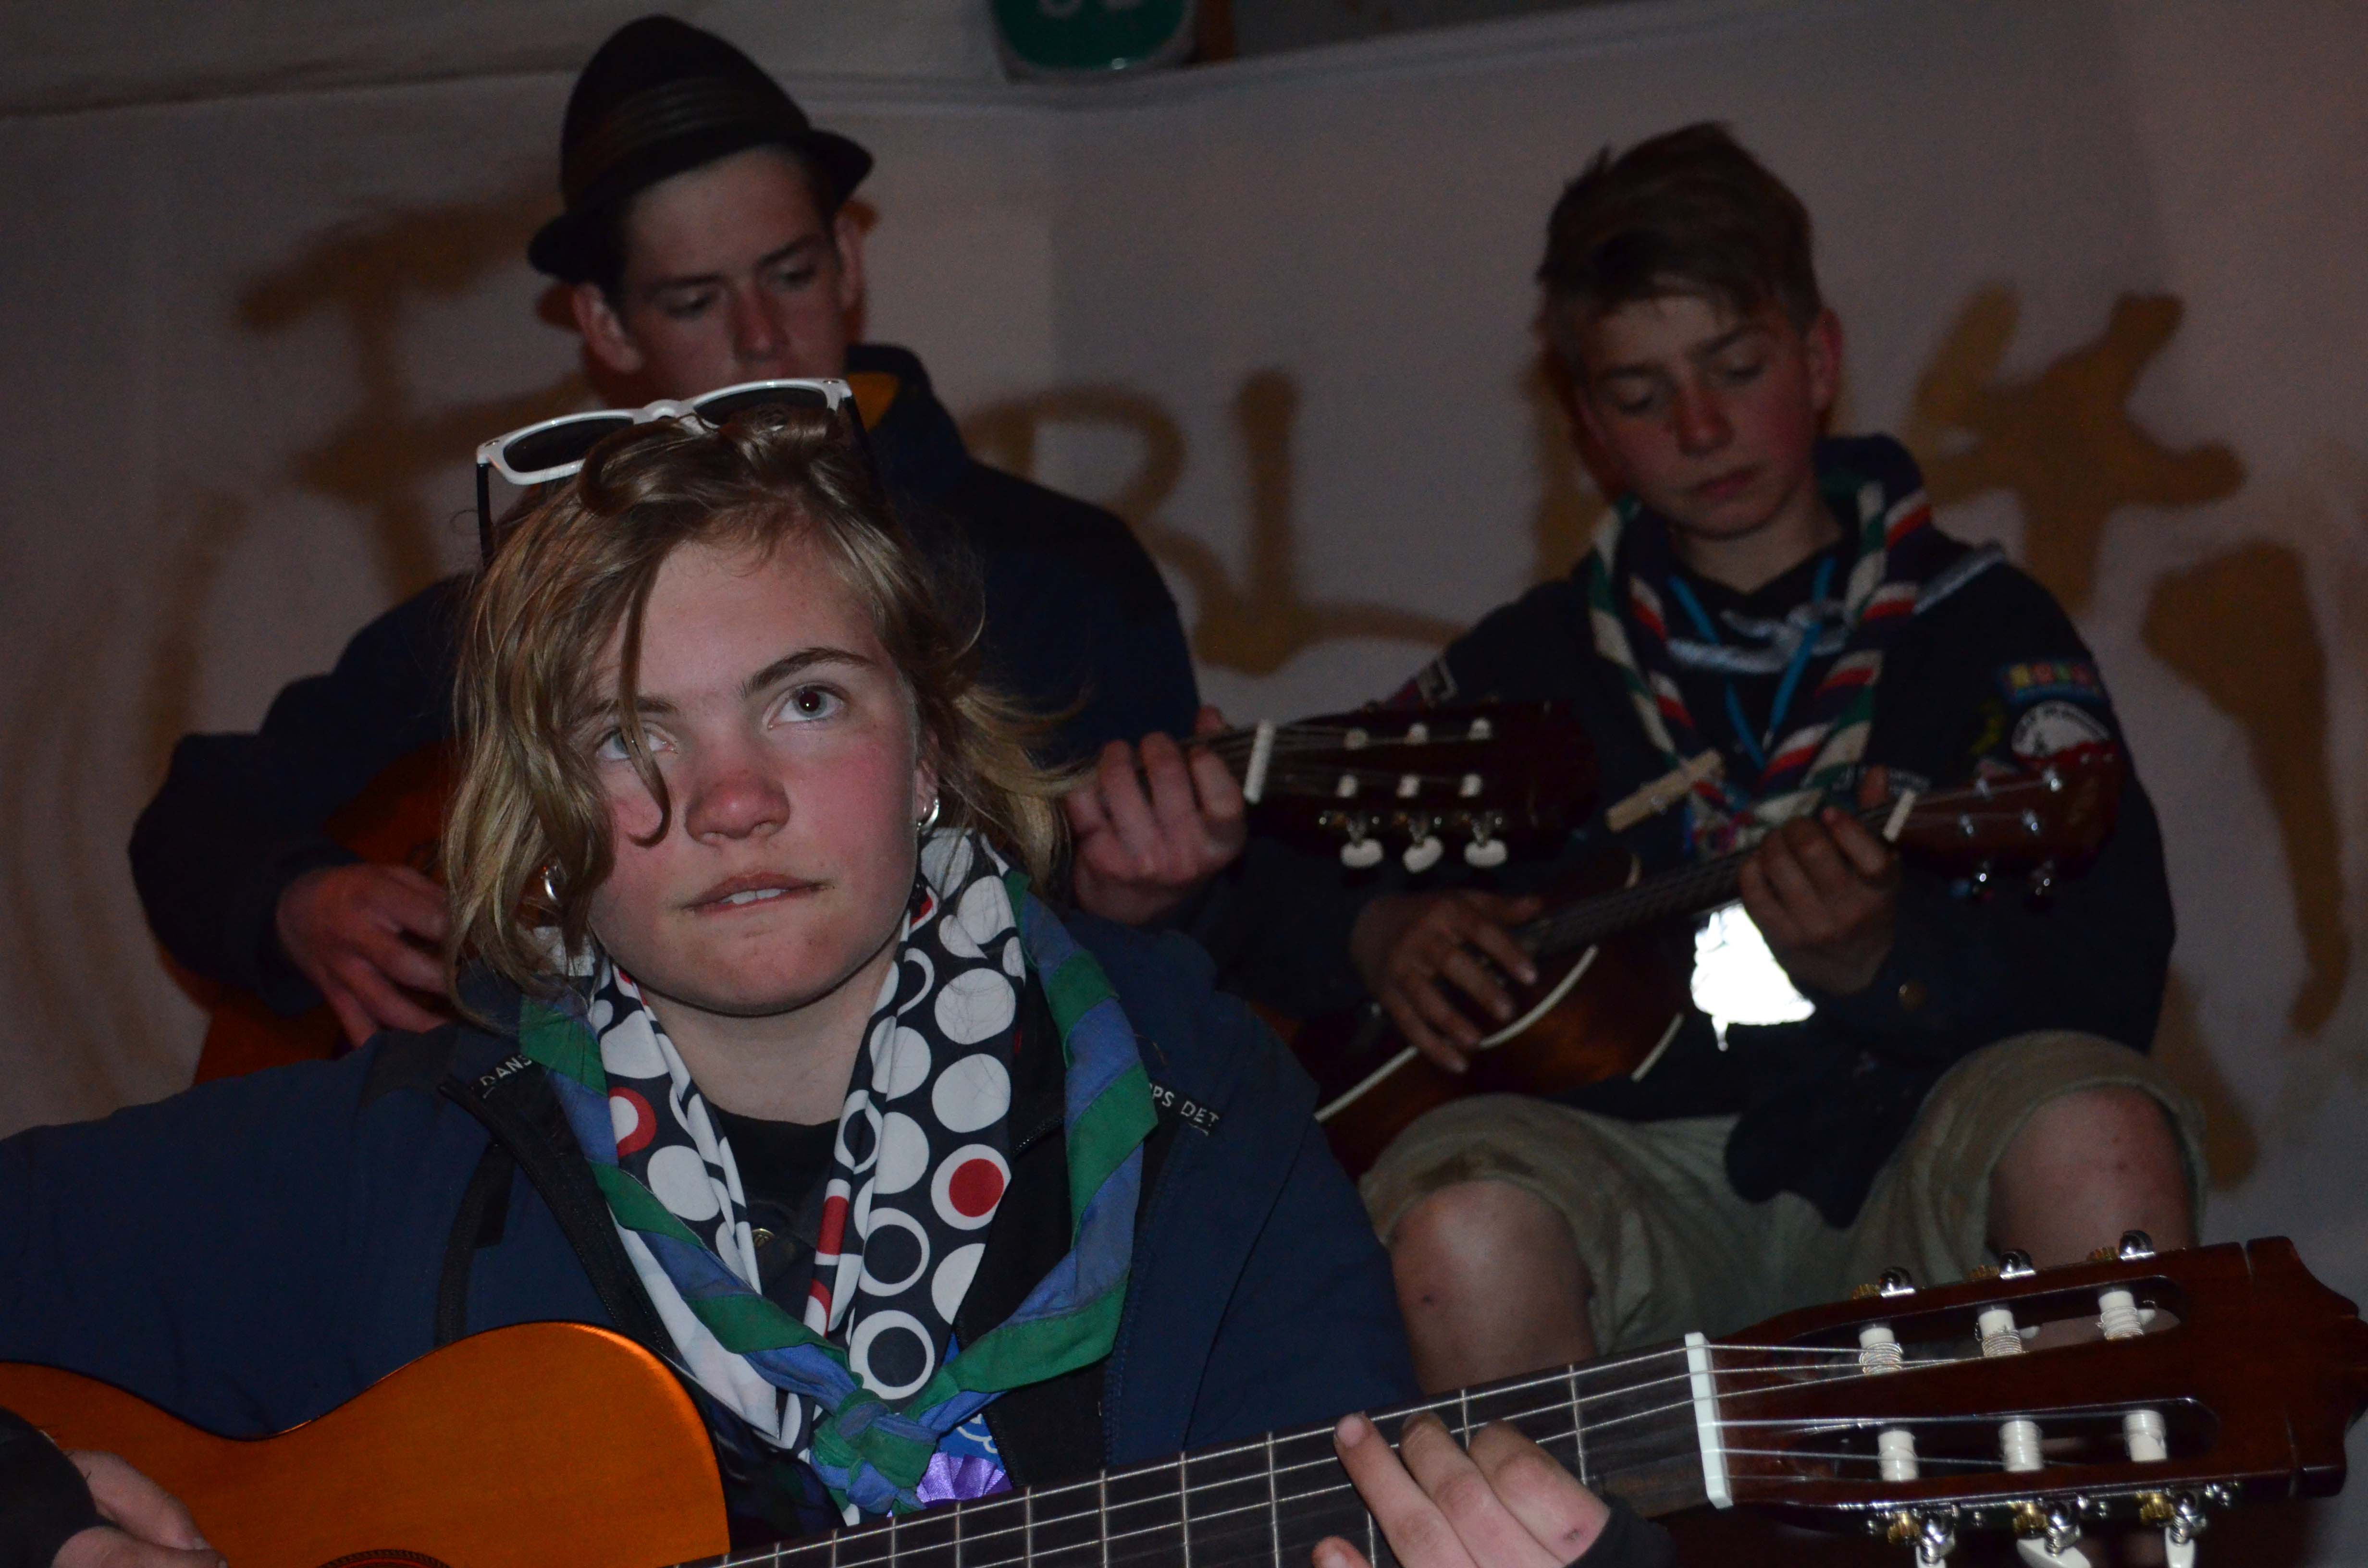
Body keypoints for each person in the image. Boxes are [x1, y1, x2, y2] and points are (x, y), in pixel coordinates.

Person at [6, 408, 1671, 1568]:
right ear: (544, 820)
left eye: (804, 701)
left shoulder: (1204, 1121)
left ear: (929, 750)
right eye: (629, 739)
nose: (732, 801)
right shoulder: (409, 1162)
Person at [129, 14, 1200, 1052]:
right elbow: (199, 816)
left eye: (791, 274)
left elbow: (1206, 997)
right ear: (605, 324)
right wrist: (298, 903)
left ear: (847, 259)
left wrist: (1142, 910)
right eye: (695, 301)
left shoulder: (1064, 573)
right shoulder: (541, 599)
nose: (763, 338)